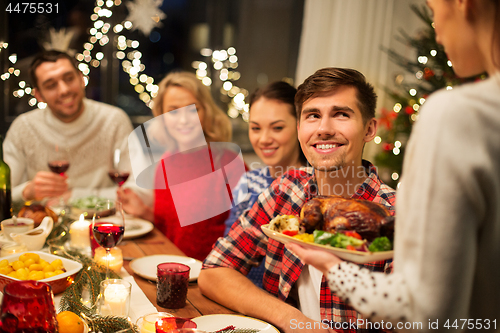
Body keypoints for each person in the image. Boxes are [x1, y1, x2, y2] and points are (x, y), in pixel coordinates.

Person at [287, 0, 500, 330]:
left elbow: (430, 316)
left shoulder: (458, 114)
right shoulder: (288, 190)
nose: (434, 28)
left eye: (432, 6)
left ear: (463, 4)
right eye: (312, 116)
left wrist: (334, 267)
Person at [199, 67, 396, 332]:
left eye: (341, 114)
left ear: (369, 129)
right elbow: (214, 271)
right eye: (313, 116)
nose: (324, 129)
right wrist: (292, 320)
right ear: (300, 127)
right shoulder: (286, 190)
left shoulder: (394, 214)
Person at [118, 71, 245, 261]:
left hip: (210, 277)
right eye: (174, 111)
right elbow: (174, 229)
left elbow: (245, 238)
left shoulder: (229, 163)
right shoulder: (164, 164)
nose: (184, 119)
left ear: (206, 112)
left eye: (193, 109)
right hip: (168, 268)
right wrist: (145, 213)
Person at [3, 50, 133, 203]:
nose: (64, 90)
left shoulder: (114, 120)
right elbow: (4, 191)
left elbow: (136, 190)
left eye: (69, 78)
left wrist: (74, 197)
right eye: (51, 85)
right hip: (44, 224)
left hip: (101, 223)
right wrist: (26, 191)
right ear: (39, 95)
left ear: (82, 79)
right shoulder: (23, 127)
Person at [223, 81, 307, 287]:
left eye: (277, 128)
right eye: (255, 128)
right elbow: (228, 251)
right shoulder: (248, 182)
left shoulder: (316, 187)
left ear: (299, 127)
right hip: (241, 298)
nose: (264, 139)